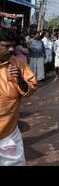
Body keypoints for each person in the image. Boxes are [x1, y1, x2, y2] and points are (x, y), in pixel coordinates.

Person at [0, 27, 37, 166]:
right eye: (6, 46)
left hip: (8, 134)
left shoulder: (17, 63)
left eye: (12, 46)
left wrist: (20, 80)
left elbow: (31, 88)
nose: (10, 50)